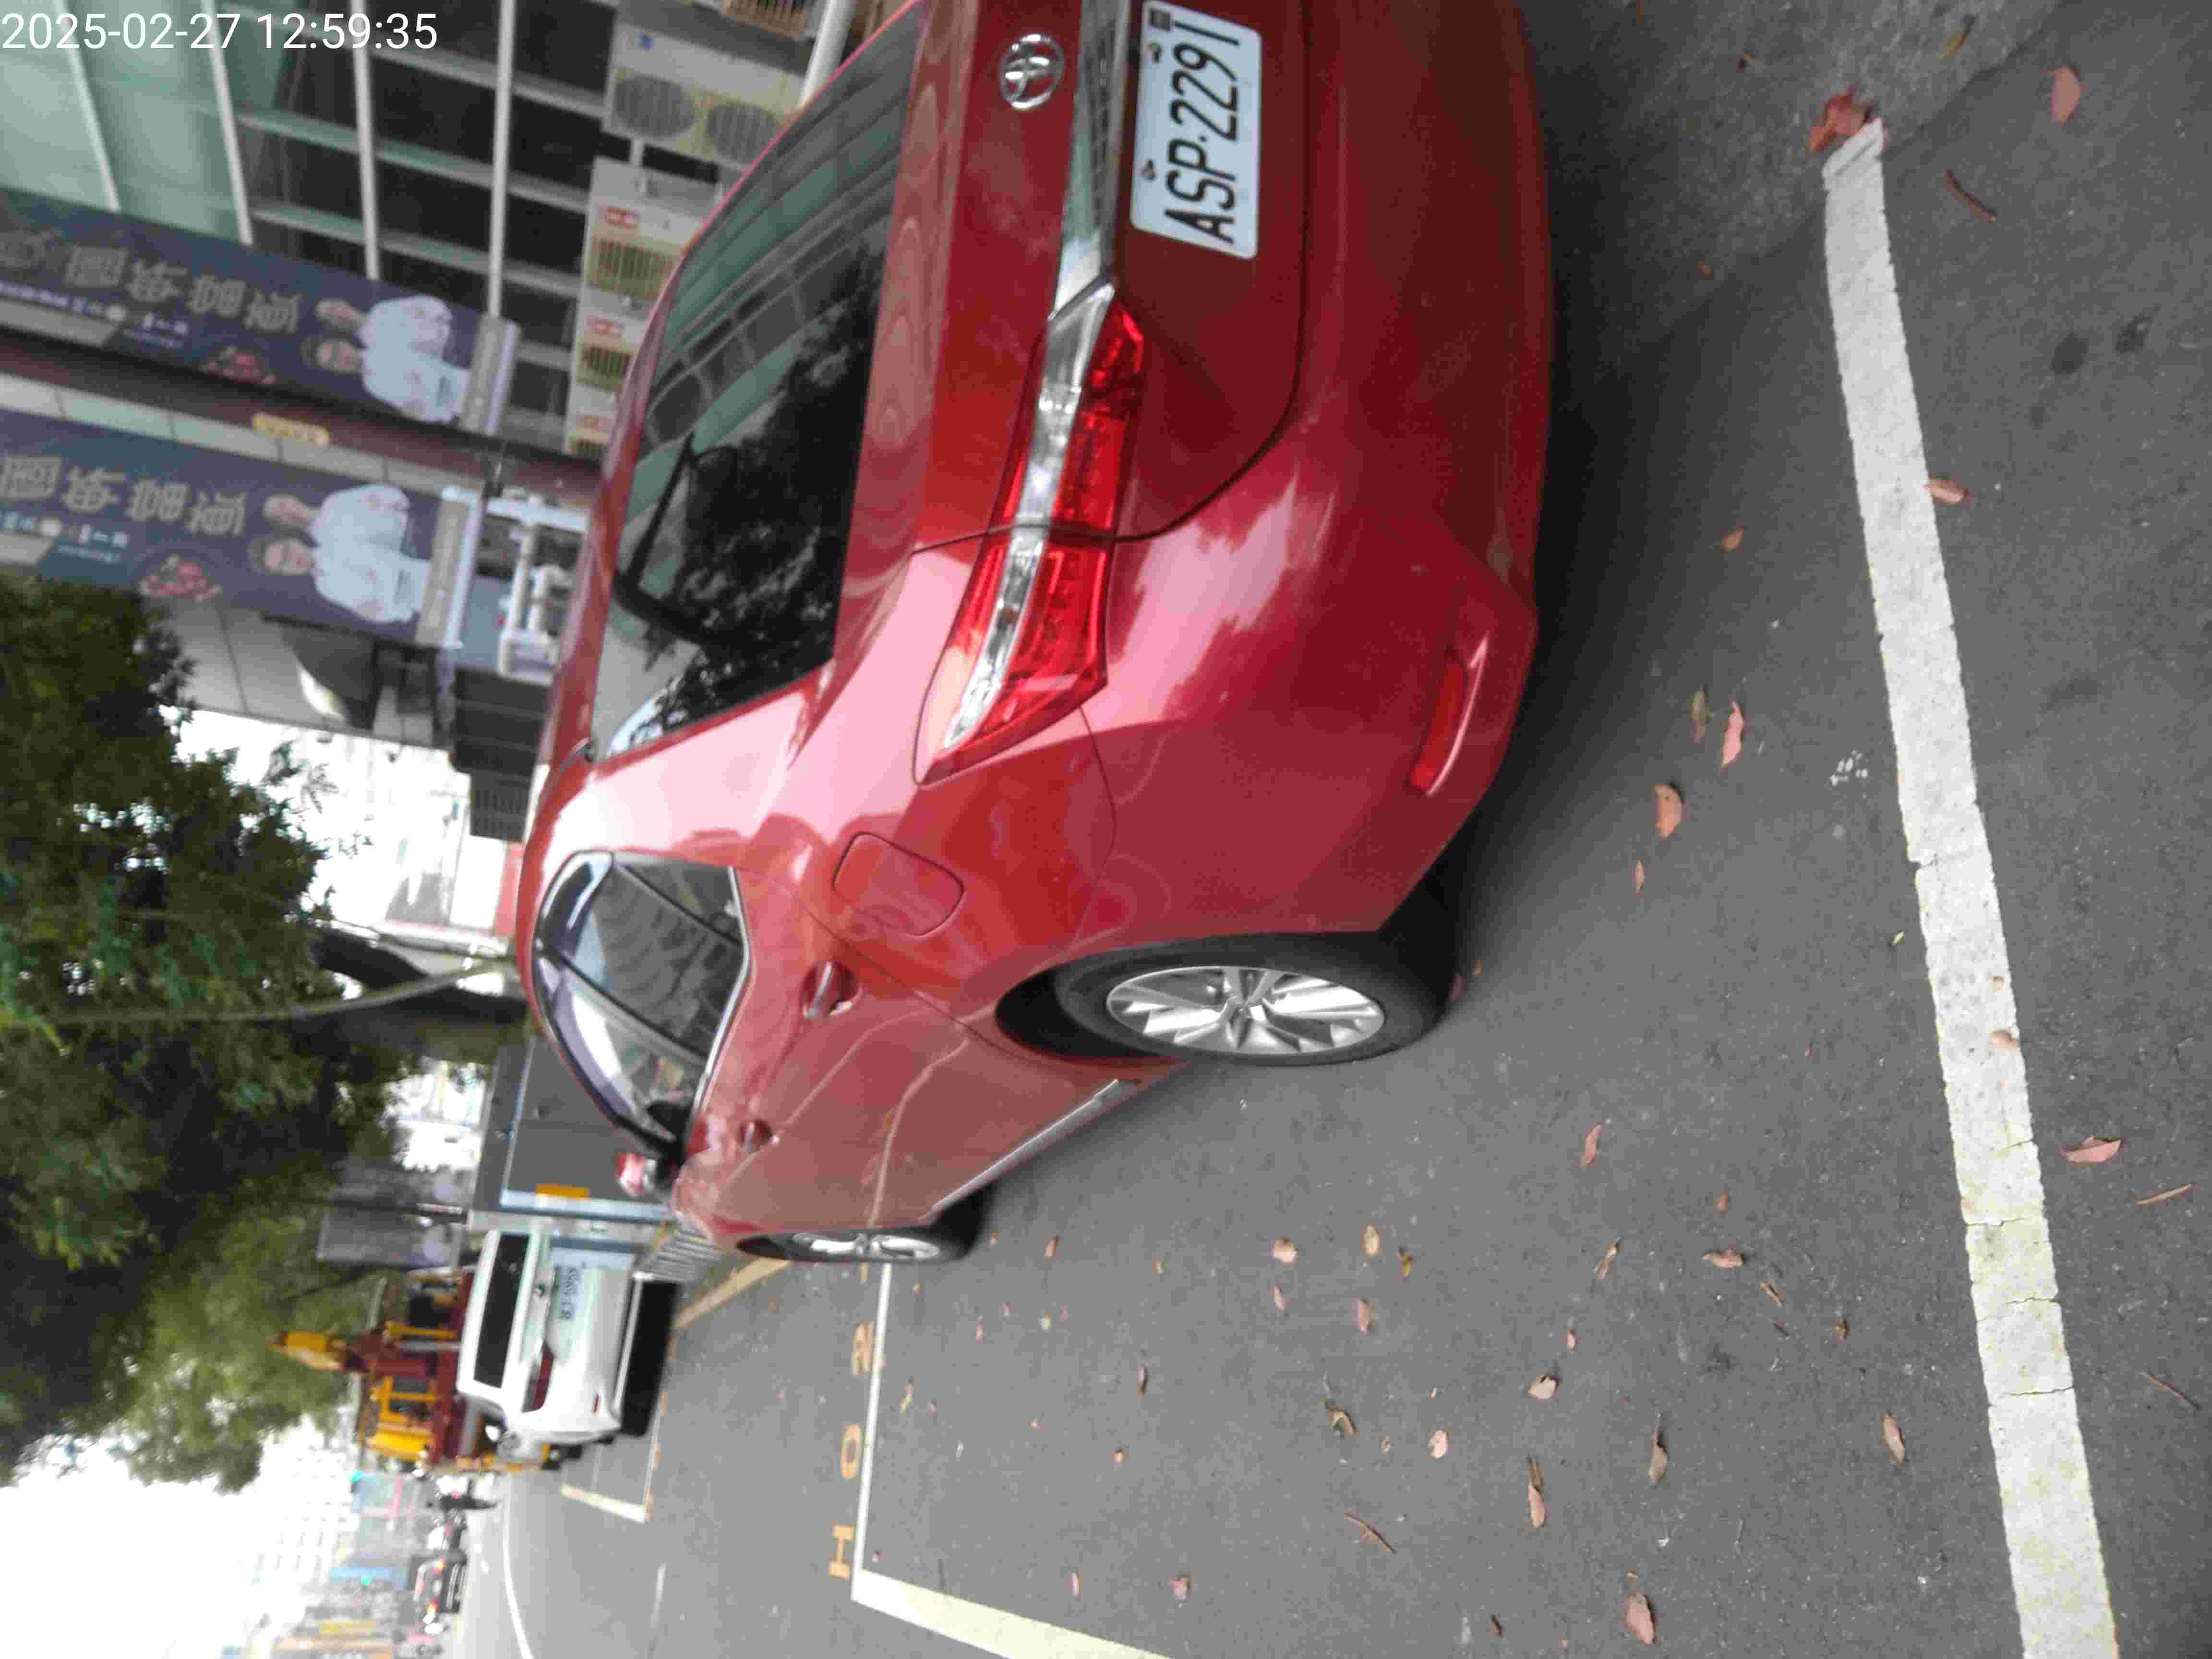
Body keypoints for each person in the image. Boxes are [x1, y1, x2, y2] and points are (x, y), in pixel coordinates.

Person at [251, 480, 430, 625]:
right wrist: (392, 602)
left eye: (287, 551)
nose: (292, 560)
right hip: (417, 597)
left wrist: (386, 594)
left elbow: (386, 564)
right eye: (284, 564)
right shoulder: (325, 587)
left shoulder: (334, 528)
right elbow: (374, 611)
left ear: (293, 541)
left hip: (420, 551)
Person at [305, 332, 468, 425]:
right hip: (459, 412)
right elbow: (415, 411)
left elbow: (432, 373)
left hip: (465, 387)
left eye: (336, 351)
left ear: (343, 342)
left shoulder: (382, 344)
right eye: (332, 363)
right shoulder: (370, 386)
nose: (340, 359)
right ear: (335, 371)